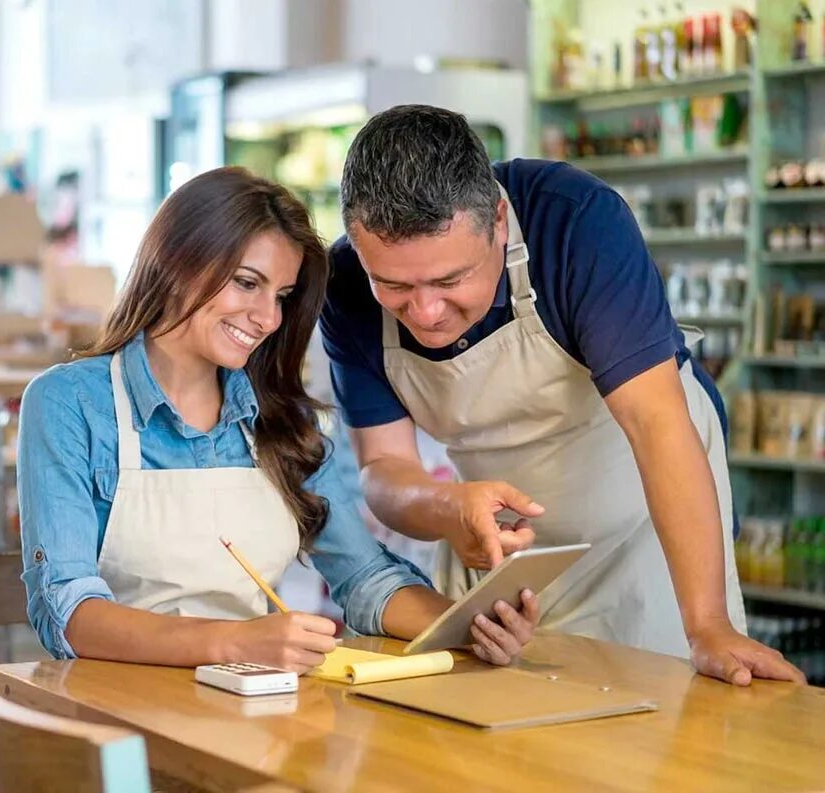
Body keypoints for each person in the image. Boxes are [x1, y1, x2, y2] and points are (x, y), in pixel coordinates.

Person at [320, 105, 804, 686]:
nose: (424, 311)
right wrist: (450, 510)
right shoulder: (345, 282)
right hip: (502, 550)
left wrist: (708, 627)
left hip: (644, 524)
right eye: (393, 286)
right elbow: (384, 468)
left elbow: (657, 426)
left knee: (658, 726)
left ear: (499, 219)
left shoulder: (575, 223)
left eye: (450, 281)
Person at [17, 167, 539, 672]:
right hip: (110, 725)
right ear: (177, 261)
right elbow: (65, 609)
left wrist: (466, 626)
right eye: (247, 283)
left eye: (282, 297)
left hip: (249, 712)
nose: (268, 319)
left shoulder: (283, 421)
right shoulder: (68, 403)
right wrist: (235, 642)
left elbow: (364, 577)